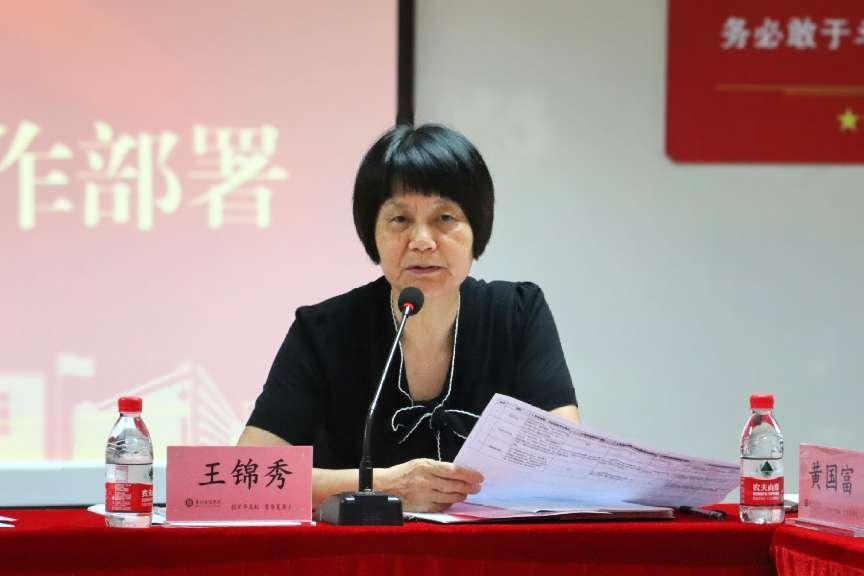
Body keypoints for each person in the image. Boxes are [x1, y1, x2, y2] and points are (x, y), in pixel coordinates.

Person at [238, 124, 580, 512]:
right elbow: (247, 477)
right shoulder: (324, 331)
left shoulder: (517, 314)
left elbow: (563, 462)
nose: (422, 241)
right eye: (399, 219)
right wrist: (385, 486)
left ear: (477, 229)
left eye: (445, 218)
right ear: (372, 233)